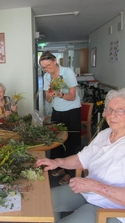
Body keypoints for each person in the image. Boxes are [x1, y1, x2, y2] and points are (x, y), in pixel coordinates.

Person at [36, 88, 125, 223]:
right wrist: (57, 162)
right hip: (91, 193)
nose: (112, 115)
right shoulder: (106, 134)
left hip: (118, 212)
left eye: (120, 111)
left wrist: (93, 186)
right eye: (109, 109)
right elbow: (81, 159)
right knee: (43, 203)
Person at [40, 51, 82, 186]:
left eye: (48, 65)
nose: (46, 69)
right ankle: (58, 166)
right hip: (57, 111)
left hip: (72, 111)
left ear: (54, 61)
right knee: (57, 140)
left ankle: (69, 174)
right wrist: (51, 94)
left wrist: (59, 94)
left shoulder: (67, 72)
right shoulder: (47, 77)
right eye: (44, 67)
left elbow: (72, 96)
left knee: (71, 142)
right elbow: (47, 98)